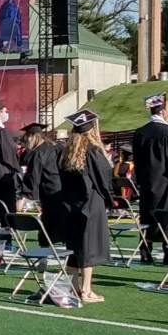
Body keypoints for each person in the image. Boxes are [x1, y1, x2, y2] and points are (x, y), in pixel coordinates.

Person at [55, 110, 113, 304]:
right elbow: (104, 179)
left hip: (71, 206)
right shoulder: (94, 151)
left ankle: (73, 287)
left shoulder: (66, 153)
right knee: (90, 248)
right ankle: (87, 290)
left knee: (73, 247)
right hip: (91, 204)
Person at [128, 92, 168, 263]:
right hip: (167, 183)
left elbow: (137, 161)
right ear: (163, 110)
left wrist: (140, 180)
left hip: (147, 183)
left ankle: (145, 251)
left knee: (147, 216)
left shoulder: (140, 132)